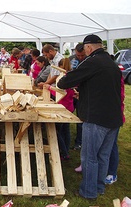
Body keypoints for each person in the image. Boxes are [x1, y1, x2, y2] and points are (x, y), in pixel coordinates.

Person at [57, 34, 123, 199]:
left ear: (88, 47)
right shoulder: (112, 63)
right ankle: (99, 187)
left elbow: (65, 82)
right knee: (103, 156)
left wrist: (63, 80)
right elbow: (103, 88)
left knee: (89, 157)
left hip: (96, 118)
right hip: (113, 117)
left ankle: (88, 191)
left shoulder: (92, 62)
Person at [45, 58, 74, 160]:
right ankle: (66, 151)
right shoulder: (71, 77)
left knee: (57, 131)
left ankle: (64, 153)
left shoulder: (64, 78)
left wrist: (49, 87)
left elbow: (60, 93)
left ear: (61, 66)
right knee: (66, 130)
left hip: (62, 107)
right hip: (69, 106)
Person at [69, 43, 87, 151]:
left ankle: (79, 142)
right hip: (71, 92)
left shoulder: (89, 62)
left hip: (82, 94)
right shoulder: (71, 59)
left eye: (82, 55)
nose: (80, 57)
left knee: (81, 119)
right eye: (78, 55)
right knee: (68, 116)